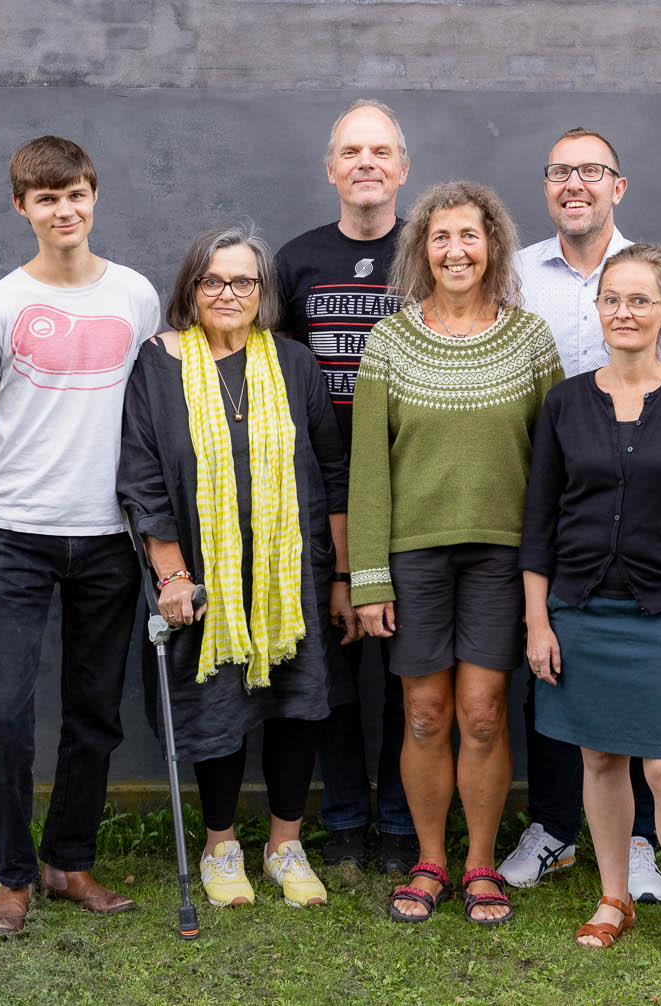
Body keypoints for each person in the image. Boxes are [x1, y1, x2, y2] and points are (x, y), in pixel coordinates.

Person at [0, 135, 161, 935]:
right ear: (22, 207)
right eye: (46, 198)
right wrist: (34, 489)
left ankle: (67, 862)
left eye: (75, 194)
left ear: (94, 196)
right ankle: (12, 878)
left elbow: (149, 410)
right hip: (16, 536)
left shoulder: (135, 296)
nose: (64, 210)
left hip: (111, 537)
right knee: (6, 713)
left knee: (95, 712)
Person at [118, 225, 352, 909]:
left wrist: (341, 578)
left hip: (291, 574)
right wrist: (171, 575)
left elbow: (333, 473)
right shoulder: (159, 363)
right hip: (203, 576)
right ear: (192, 288)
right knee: (216, 705)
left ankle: (285, 845)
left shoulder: (294, 363)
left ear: (262, 291)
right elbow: (142, 476)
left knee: (295, 706)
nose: (228, 293)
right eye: (213, 280)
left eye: (243, 280)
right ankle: (221, 846)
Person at [350, 181, 564, 926]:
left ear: (493, 244)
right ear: (422, 249)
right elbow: (368, 468)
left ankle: (480, 863)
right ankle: (430, 859)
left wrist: (546, 574)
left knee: (482, 712)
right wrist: (369, 577)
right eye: (440, 237)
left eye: (469, 235)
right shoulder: (390, 342)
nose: (455, 251)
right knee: (424, 712)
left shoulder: (530, 339)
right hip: (412, 558)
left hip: (502, 558)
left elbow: (554, 466)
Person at [504, 126, 661, 902]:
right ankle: (554, 827)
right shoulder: (518, 275)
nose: (575, 184)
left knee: (646, 700)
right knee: (555, 670)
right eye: (560, 171)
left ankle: (643, 842)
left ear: (618, 186)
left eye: (591, 171)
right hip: (551, 484)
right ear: (546, 186)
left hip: (648, 506)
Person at [521, 243, 661, 969]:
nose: (624, 312)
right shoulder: (564, 402)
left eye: (640, 300)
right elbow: (538, 524)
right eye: (612, 299)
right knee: (601, 759)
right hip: (579, 611)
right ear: (598, 308)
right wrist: (538, 621)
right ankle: (613, 896)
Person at [274, 98, 416, 874]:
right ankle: (345, 820)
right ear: (330, 169)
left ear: (403, 168)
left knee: (404, 666)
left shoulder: (430, 252)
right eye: (352, 152)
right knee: (328, 669)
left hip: (409, 487)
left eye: (381, 151)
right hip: (317, 493)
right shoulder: (296, 261)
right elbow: (274, 375)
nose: (367, 163)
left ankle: (399, 822)